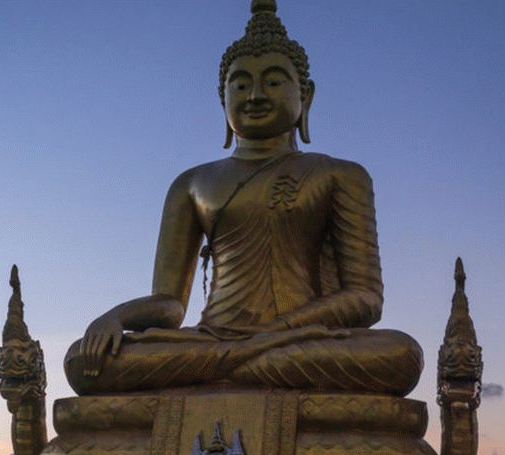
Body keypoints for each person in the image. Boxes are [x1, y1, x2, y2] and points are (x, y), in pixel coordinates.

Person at [64, 0, 422, 396]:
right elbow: (169, 304)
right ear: (223, 101)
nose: (254, 95)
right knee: (83, 359)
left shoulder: (340, 175)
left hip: (297, 342)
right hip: (214, 339)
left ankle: (225, 370)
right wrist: (114, 318)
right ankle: (239, 366)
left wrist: (277, 332)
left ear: (307, 97)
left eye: (272, 81)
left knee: (400, 355)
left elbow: (365, 298)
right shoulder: (192, 183)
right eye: (240, 84)